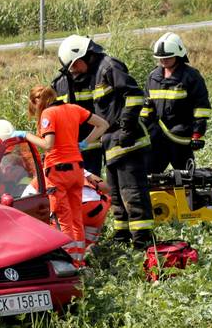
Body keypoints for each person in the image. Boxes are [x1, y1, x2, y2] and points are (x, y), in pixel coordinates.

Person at [57, 34, 154, 249]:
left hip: (129, 140)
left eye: (74, 66)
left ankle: (143, 240)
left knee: (133, 192)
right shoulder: (96, 74)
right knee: (116, 193)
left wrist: (127, 126)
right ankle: (122, 234)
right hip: (111, 142)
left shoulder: (110, 67)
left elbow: (135, 95)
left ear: (83, 56)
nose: (75, 72)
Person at [14, 86, 108, 266]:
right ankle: (79, 261)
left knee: (62, 218)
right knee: (75, 217)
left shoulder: (48, 114)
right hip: (77, 169)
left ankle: (68, 262)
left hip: (57, 172)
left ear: (37, 101)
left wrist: (26, 135)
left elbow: (48, 145)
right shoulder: (74, 109)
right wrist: (85, 143)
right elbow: (103, 124)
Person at [141, 32, 212, 174]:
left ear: (178, 54)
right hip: (157, 138)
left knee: (186, 178)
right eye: (160, 58)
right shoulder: (153, 77)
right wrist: (143, 129)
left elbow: (201, 108)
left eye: (167, 57)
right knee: (149, 176)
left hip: (180, 138)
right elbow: (146, 106)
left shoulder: (191, 77)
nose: (163, 60)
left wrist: (197, 134)